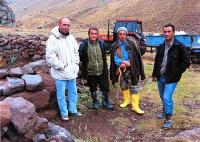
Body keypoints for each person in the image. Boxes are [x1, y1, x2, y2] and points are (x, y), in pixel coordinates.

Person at [152, 23, 190, 129]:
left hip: (171, 78)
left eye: (169, 31)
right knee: (162, 96)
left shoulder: (179, 46)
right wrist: (155, 75)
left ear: (173, 32)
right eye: (165, 32)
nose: (166, 34)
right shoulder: (160, 46)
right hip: (161, 77)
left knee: (166, 97)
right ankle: (165, 112)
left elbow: (186, 62)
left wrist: (176, 72)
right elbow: (157, 62)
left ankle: (168, 118)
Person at [46, 17, 81, 121]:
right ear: (59, 24)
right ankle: (64, 113)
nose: (66, 27)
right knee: (61, 95)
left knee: (73, 92)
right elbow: (50, 57)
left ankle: (73, 110)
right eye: (64, 25)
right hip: (60, 72)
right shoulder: (53, 39)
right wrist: (62, 66)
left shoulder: (71, 38)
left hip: (72, 71)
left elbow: (76, 52)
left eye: (68, 25)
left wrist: (76, 63)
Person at [110, 27, 146, 114]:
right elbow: (114, 58)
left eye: (124, 34)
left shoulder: (132, 44)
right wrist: (122, 62)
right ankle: (127, 101)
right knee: (124, 85)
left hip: (132, 69)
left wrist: (131, 63)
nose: (122, 36)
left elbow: (136, 57)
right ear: (118, 35)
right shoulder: (115, 45)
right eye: (120, 34)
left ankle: (135, 106)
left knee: (134, 86)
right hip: (121, 69)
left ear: (126, 34)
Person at [79, 27, 113, 110]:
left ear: (97, 34)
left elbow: (105, 54)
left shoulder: (101, 43)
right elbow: (80, 57)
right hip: (90, 71)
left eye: (95, 33)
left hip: (102, 70)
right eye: (92, 33)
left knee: (105, 87)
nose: (94, 35)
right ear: (89, 34)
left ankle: (105, 103)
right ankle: (95, 102)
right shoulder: (84, 44)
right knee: (92, 87)